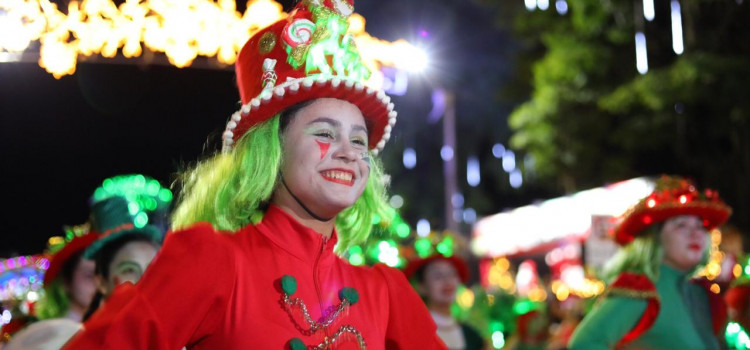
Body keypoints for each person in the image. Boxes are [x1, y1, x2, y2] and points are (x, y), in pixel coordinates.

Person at [63, 1, 446, 349]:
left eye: (359, 141)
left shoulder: (385, 292)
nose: (348, 153)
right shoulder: (213, 262)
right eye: (325, 134)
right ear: (271, 150)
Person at [568, 175, 732, 349]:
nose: (695, 233)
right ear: (654, 238)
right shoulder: (642, 291)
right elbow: (584, 343)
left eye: (700, 226)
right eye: (681, 225)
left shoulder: (704, 295)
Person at [81, 196, 162, 321]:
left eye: (153, 268)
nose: (145, 278)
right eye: (129, 270)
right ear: (101, 282)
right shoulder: (84, 339)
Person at [405, 255, 485, 350]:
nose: (447, 281)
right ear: (421, 286)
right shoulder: (412, 332)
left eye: (452, 274)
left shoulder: (472, 336)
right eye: (438, 276)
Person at [35, 224, 98, 322]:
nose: (99, 282)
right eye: (89, 275)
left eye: (104, 274)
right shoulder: (59, 333)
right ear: (66, 282)